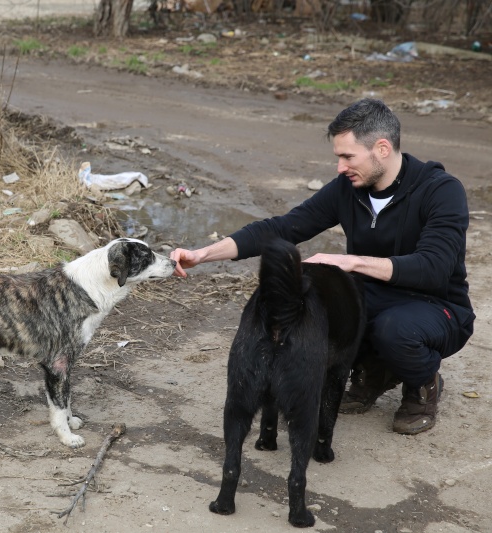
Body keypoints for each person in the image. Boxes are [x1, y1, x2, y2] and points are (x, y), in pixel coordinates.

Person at [170, 98, 474, 435]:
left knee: (395, 330)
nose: (340, 167)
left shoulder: (441, 190)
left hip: (436, 307)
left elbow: (434, 267)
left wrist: (350, 261)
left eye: (348, 156)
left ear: (382, 149)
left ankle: (422, 384)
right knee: (310, 309)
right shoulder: (349, 189)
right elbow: (282, 228)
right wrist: (203, 254)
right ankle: (374, 373)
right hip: (373, 298)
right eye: (338, 158)